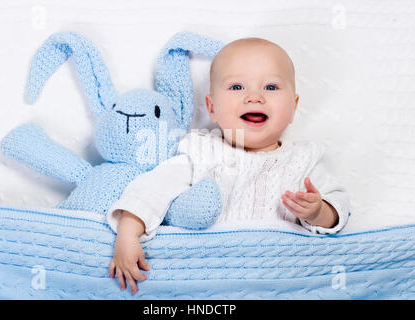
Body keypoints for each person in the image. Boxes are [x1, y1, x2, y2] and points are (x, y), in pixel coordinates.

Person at [107, 37, 350, 294]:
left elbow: (338, 208)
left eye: (270, 86)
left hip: (280, 279)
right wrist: (128, 233)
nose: (254, 97)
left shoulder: (305, 160)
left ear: (293, 107)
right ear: (211, 108)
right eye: (236, 87)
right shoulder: (200, 151)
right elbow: (152, 189)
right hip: (210, 278)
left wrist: (318, 212)